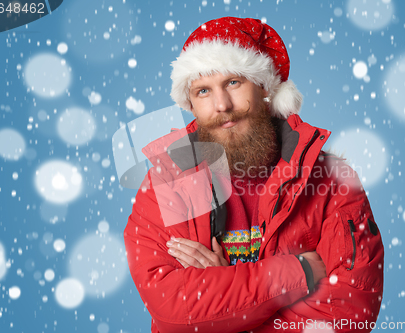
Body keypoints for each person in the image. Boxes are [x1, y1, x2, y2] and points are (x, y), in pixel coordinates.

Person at [124, 17, 384, 333]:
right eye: (203, 90)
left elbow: (348, 314)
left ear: (264, 88)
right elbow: (171, 311)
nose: (222, 104)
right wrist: (296, 273)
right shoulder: (166, 182)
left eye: (234, 82)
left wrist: (220, 300)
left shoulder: (331, 179)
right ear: (191, 105)